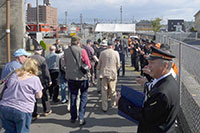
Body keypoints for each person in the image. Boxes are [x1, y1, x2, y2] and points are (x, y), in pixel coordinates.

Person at [118, 46, 179, 133]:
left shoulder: (162, 92)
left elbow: (144, 116)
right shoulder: (167, 81)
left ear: (165, 65)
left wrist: (121, 102)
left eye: (152, 63)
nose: (148, 66)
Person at [0, 58, 43, 133]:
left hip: (5, 106)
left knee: (9, 131)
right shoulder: (35, 79)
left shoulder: (13, 74)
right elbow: (39, 95)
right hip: (23, 109)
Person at [64, 36, 91, 126]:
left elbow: (64, 63)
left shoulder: (66, 51)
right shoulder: (82, 51)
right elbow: (88, 64)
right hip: (82, 77)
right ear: (78, 43)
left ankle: (73, 117)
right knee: (83, 96)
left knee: (73, 97)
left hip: (71, 77)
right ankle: (81, 117)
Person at [97, 40, 120, 112]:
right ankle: (113, 104)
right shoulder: (116, 53)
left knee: (104, 90)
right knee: (112, 89)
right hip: (112, 73)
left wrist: (99, 69)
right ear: (113, 46)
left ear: (107, 46)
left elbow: (99, 65)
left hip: (103, 73)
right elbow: (118, 64)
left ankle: (104, 106)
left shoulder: (102, 53)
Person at [30, 45, 52, 120]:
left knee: (33, 97)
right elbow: (46, 71)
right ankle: (46, 110)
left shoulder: (30, 58)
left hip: (32, 79)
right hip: (41, 79)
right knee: (44, 95)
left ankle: (34, 113)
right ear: (41, 51)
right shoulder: (42, 59)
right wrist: (49, 80)